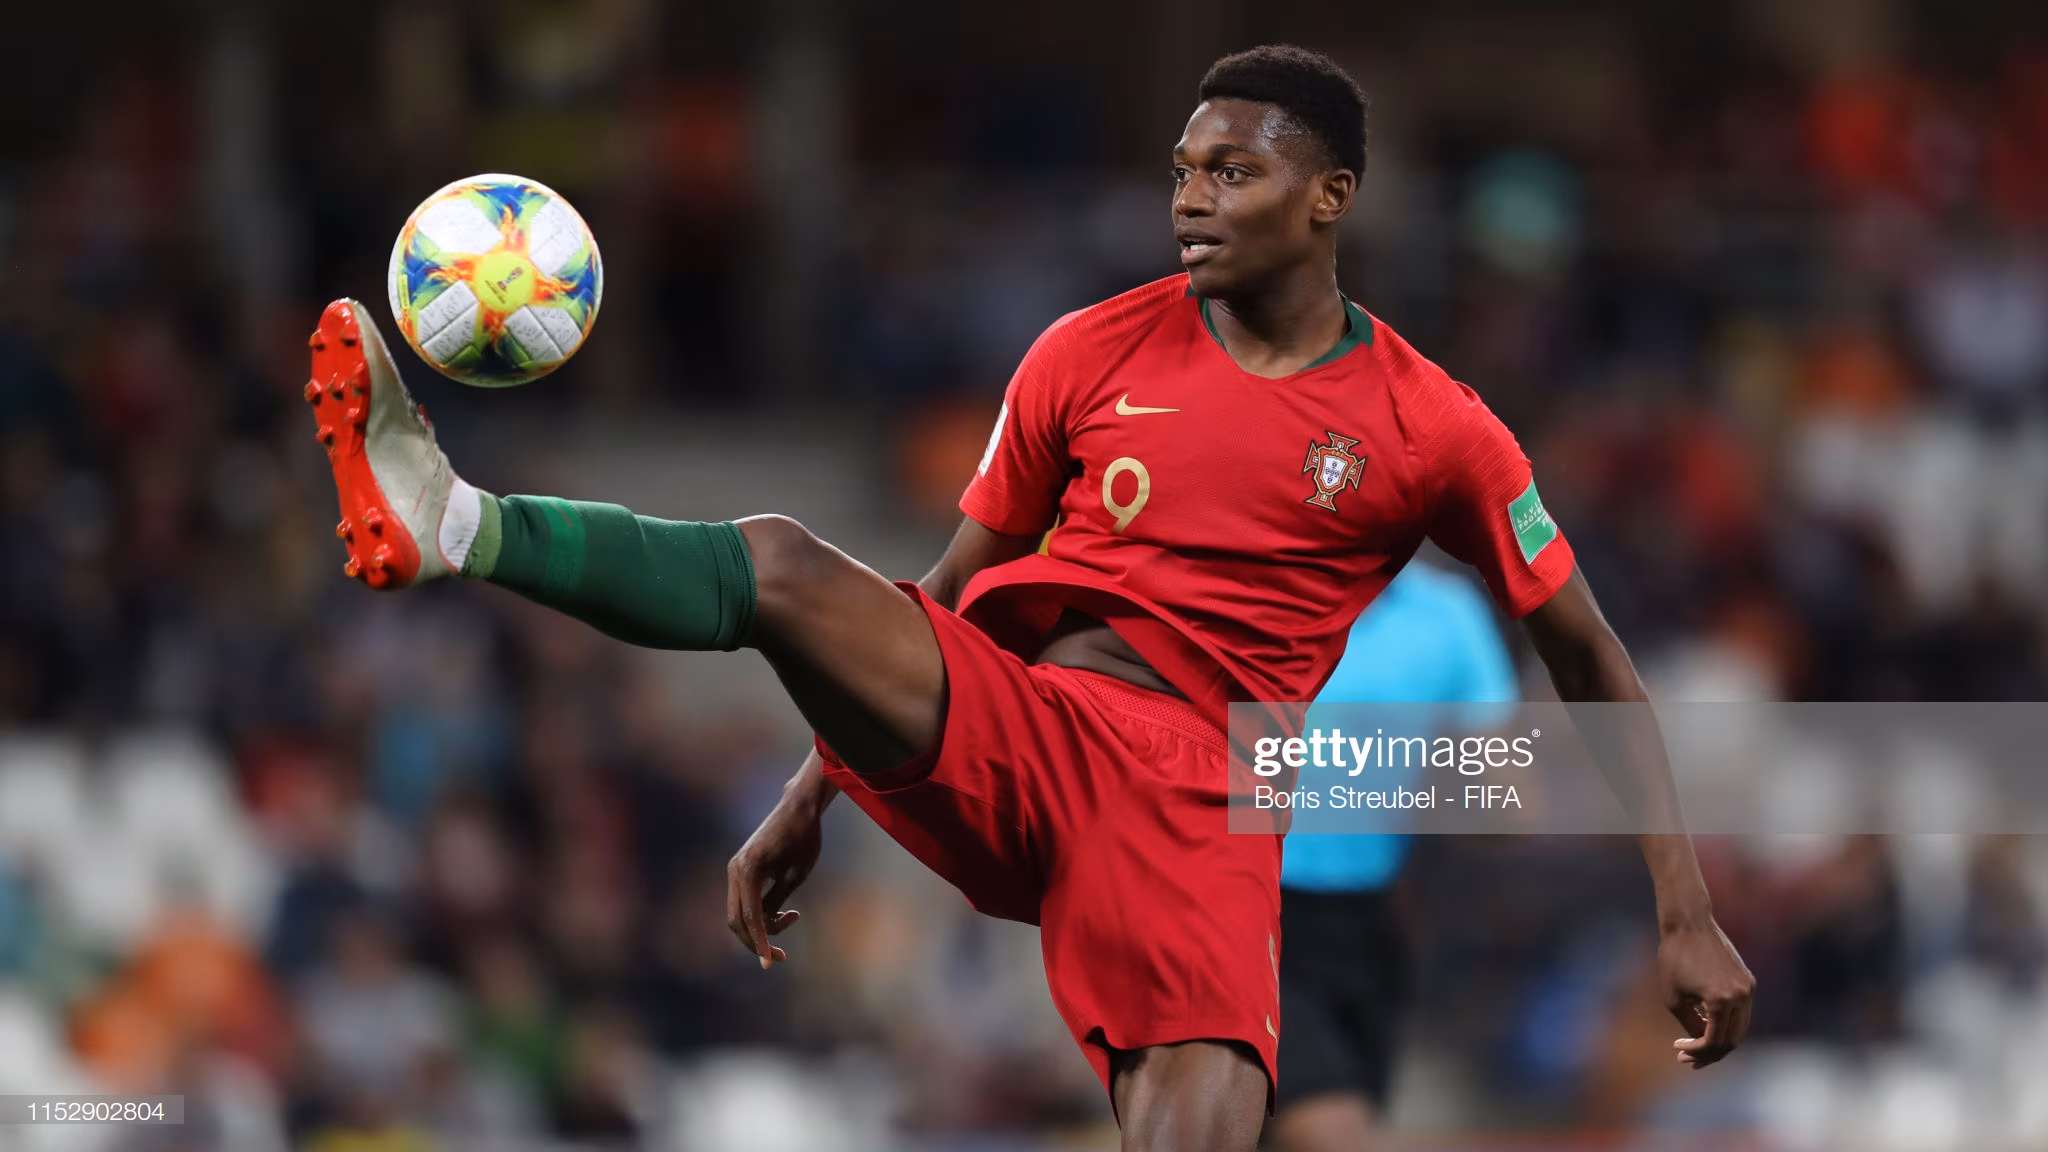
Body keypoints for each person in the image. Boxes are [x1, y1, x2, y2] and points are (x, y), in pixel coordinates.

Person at [300, 44, 1754, 1151]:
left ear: (1329, 200)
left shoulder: (1431, 425)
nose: (1190, 199)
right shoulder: (1086, 351)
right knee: (789, 564)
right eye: (1181, 170)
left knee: (1197, 1128)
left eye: (1231, 174)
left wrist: (1681, 910)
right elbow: (945, 588)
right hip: (1026, 720)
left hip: (1201, 789)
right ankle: (458, 523)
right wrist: (813, 794)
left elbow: (1588, 654)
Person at [1270, 559, 1516, 1152]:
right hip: (1252, 914)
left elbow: (1501, 792)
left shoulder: (1448, 615)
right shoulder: (1254, 589)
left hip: (1371, 922)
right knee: (1330, 1130)